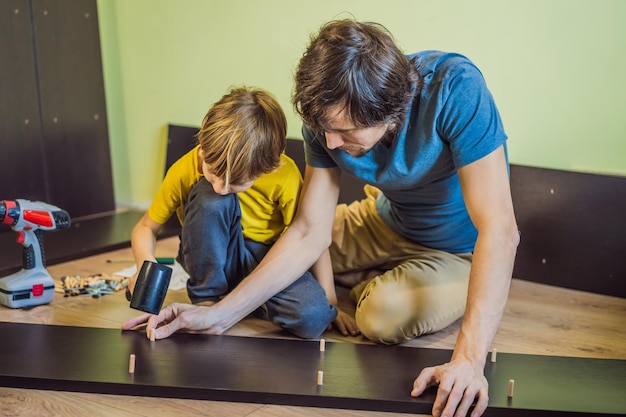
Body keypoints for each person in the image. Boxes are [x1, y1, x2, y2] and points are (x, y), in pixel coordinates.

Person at [124, 20, 519, 417]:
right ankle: (370, 276)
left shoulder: (456, 89)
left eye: (344, 131)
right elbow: (310, 230)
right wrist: (218, 316)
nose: (330, 144)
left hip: (455, 249)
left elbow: (499, 230)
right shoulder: (326, 118)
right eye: (323, 131)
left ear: (388, 110)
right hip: (382, 221)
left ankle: (384, 285)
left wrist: (469, 360)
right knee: (281, 254)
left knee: (379, 317)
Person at [123, 86, 356, 339]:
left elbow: (312, 240)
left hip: (267, 258)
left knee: (315, 319)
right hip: (215, 253)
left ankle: (245, 299)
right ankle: (207, 299)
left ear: (270, 166)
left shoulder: (285, 175)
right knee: (209, 199)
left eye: (236, 183)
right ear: (203, 140)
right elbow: (145, 227)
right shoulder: (186, 167)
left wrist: (331, 301)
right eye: (212, 171)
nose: (221, 187)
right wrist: (144, 263)